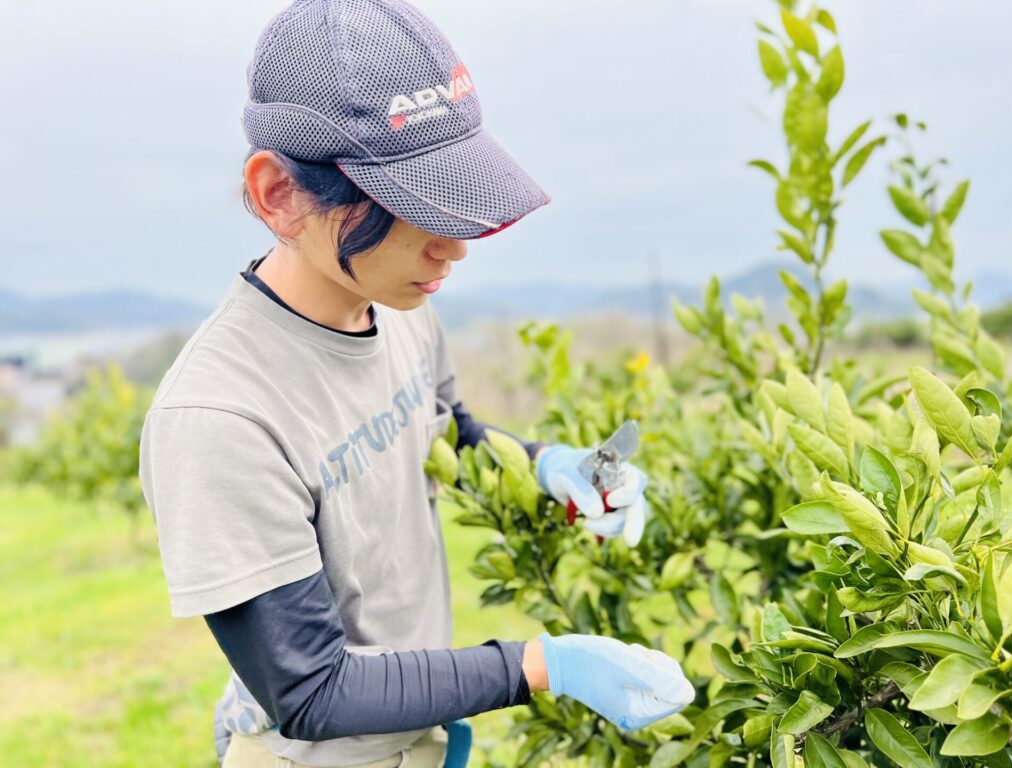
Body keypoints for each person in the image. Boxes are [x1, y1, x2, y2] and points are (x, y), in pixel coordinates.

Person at [138, 1, 695, 766]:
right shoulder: (222, 418)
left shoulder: (396, 302)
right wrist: (544, 665)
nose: (453, 250)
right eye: (409, 203)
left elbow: (440, 430)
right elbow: (311, 691)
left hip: (417, 740)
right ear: (278, 194)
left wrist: (545, 467)